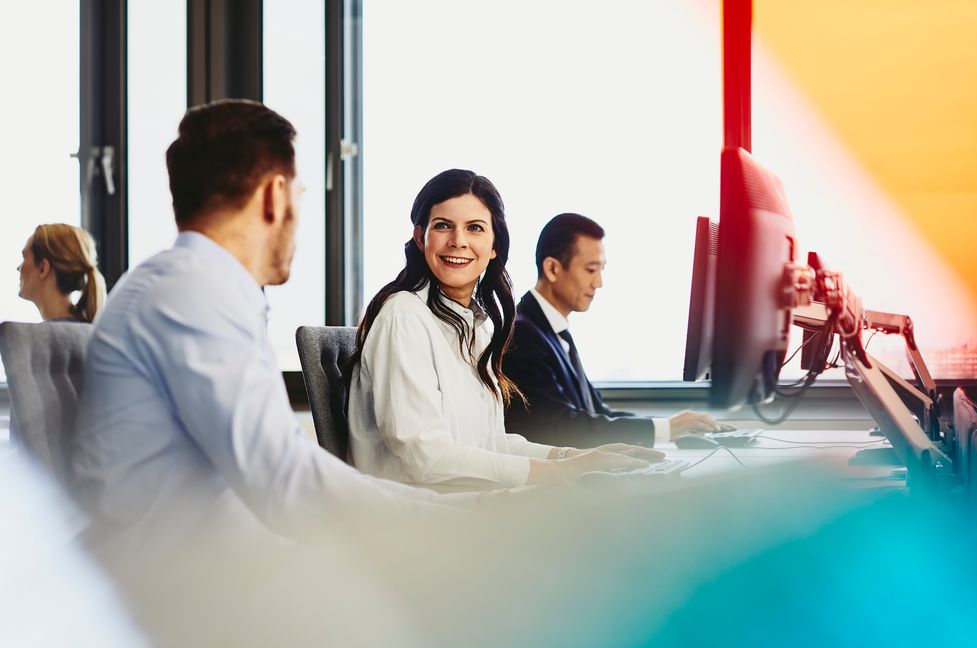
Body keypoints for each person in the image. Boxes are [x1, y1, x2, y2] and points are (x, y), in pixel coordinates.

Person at [73, 100, 442, 553]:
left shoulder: (192, 284)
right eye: (300, 196)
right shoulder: (190, 291)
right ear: (273, 195)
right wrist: (458, 518)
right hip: (177, 584)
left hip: (205, 563)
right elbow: (285, 482)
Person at [346, 169, 659, 491]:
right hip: (420, 518)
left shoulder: (476, 325)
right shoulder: (404, 316)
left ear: (494, 245)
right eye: (443, 226)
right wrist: (563, 470)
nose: (458, 241)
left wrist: (574, 456)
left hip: (461, 502)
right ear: (419, 236)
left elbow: (491, 442)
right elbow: (425, 456)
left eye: (475, 228)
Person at [503, 213, 723, 449]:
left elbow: (596, 411)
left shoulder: (551, 329)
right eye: (590, 270)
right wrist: (666, 428)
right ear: (553, 268)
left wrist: (669, 427)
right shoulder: (523, 335)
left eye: (601, 270)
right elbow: (561, 427)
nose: (598, 283)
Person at [17, 223, 106, 322]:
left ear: (43, 268)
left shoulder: (16, 335)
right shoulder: (93, 332)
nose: (18, 268)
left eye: (24, 258)